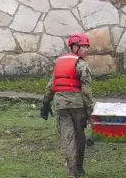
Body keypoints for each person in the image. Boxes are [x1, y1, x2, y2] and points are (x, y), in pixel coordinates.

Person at [40, 34, 95, 178]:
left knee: (68, 138)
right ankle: (78, 168)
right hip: (78, 106)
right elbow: (87, 91)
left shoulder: (60, 63)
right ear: (75, 47)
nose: (86, 50)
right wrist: (90, 109)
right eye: (83, 47)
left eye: (87, 47)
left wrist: (45, 105)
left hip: (61, 106)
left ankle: (72, 173)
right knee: (79, 136)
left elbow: (51, 86)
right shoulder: (82, 65)